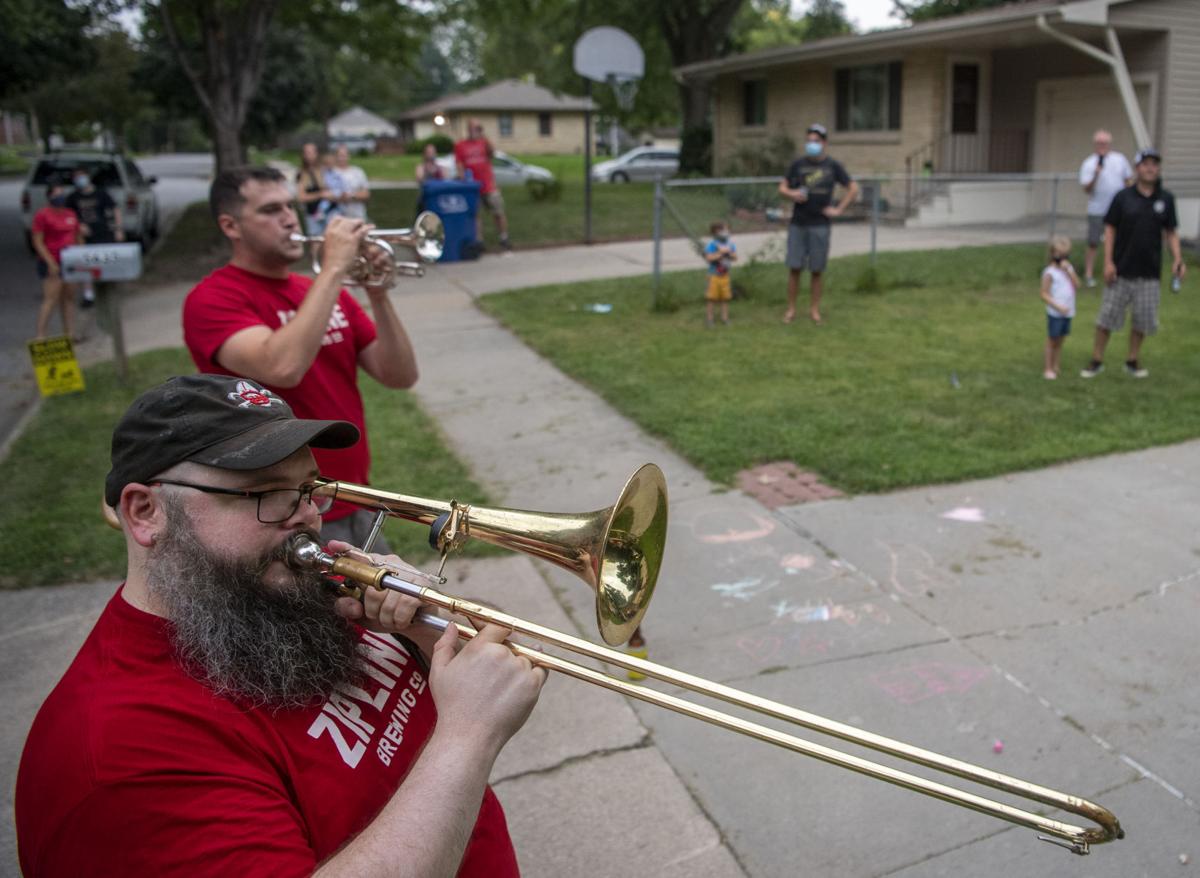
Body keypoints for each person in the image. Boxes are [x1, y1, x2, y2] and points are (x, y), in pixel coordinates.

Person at [15, 373, 546, 876]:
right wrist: (467, 738)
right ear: (145, 513)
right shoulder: (120, 753)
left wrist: (429, 627)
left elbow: (476, 684)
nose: (306, 515)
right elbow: (461, 736)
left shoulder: (281, 591)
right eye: (264, 492)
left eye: (309, 488)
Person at [183, 166, 419, 549]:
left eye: (290, 206)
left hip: (354, 497)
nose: (290, 218)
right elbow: (283, 367)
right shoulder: (212, 298)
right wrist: (335, 268)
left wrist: (378, 294)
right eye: (270, 210)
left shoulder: (318, 290)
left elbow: (400, 375)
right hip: (279, 513)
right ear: (231, 226)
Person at [1081, 148, 1186, 379]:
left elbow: (1171, 232)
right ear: (1137, 168)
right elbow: (1110, 229)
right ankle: (1096, 360)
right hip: (1120, 269)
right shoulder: (1123, 197)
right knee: (1106, 318)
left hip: (1149, 272)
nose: (1150, 168)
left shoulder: (1165, 199)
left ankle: (1132, 360)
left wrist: (1178, 259)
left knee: (1142, 320)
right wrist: (1108, 262)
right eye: (1146, 164)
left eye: (1154, 164)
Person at [778, 123, 859, 325]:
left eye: (815, 141)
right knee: (794, 268)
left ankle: (814, 310)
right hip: (798, 224)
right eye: (809, 141)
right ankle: (791, 309)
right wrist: (792, 193)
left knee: (816, 270)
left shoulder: (833, 166)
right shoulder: (797, 164)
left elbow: (853, 188)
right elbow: (782, 188)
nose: (811, 144)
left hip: (820, 225)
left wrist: (839, 209)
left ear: (824, 143)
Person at [1078, 130, 1133, 288]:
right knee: (1093, 242)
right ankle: (1088, 275)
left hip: (1119, 210)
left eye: (1105, 143)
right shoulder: (1089, 163)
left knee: (1119, 242)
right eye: (1099, 143)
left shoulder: (1120, 159)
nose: (1102, 146)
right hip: (1097, 209)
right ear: (1095, 144)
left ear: (1109, 144)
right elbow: (1086, 189)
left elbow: (1128, 181)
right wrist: (1096, 174)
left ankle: (1115, 271)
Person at [66, 165, 124, 307]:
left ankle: (109, 291)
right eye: (76, 177)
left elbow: (115, 209)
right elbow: (68, 216)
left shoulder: (101, 193)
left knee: (106, 262)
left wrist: (118, 229)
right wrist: (78, 225)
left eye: (81, 175)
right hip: (84, 237)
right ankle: (89, 294)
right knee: (86, 264)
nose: (80, 179)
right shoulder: (73, 197)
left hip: (103, 233)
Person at [31, 179, 82, 340]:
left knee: (69, 297)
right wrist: (50, 262)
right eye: (56, 194)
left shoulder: (70, 214)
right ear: (49, 197)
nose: (60, 197)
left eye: (61, 194)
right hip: (52, 259)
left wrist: (81, 256)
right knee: (51, 298)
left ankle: (70, 332)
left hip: (70, 259)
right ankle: (41, 334)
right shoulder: (42, 215)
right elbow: (38, 241)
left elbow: (77, 236)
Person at [454, 119, 510, 252]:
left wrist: (483, 135)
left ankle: (504, 238)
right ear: (468, 129)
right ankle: (479, 241)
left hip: (489, 185)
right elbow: (459, 164)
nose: (474, 130)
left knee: (498, 212)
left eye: (477, 128)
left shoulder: (484, 142)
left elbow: (492, 153)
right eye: (472, 128)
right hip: (473, 186)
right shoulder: (461, 145)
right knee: (476, 215)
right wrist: (462, 178)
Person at [1039, 235, 1079, 380]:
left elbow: (1077, 285)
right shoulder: (1049, 273)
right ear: (1052, 254)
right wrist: (1058, 307)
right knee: (1052, 340)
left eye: (1065, 255)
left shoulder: (1069, 269)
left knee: (1061, 340)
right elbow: (1044, 294)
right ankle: (1048, 368)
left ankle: (1056, 364)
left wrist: (1069, 271)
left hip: (1068, 312)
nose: (1062, 258)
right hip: (1056, 313)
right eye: (1059, 254)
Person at [295, 142, 334, 235]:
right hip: (312, 214)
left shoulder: (323, 171)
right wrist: (320, 195)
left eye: (313, 152)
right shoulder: (301, 173)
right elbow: (301, 197)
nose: (310, 155)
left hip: (328, 212)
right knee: (316, 239)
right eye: (308, 153)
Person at [703, 220, 737, 327]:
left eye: (727, 230)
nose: (726, 232)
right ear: (715, 232)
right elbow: (709, 258)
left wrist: (729, 253)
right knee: (711, 298)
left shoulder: (730, 245)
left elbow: (735, 257)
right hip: (714, 276)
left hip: (725, 276)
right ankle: (710, 319)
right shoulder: (712, 245)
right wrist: (720, 253)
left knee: (725, 298)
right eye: (723, 230)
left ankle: (725, 318)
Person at [331, 144, 370, 221]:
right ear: (335, 157)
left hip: (357, 216)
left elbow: (366, 194)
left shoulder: (358, 172)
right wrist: (339, 197)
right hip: (337, 218)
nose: (342, 158)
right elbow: (325, 194)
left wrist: (351, 196)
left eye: (344, 155)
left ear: (349, 156)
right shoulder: (330, 173)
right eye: (340, 155)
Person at [414, 141, 445, 219]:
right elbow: (419, 179)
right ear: (424, 154)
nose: (431, 154)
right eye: (429, 152)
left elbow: (445, 181)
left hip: (438, 199)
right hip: (425, 200)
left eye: (433, 152)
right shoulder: (421, 167)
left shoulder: (440, 168)